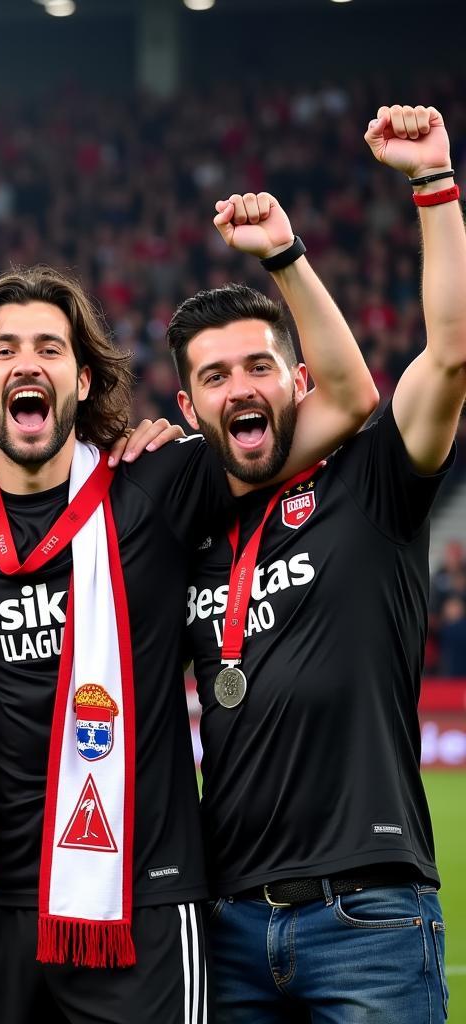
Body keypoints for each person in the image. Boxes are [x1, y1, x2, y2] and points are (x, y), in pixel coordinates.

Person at [0, 182, 377, 1024]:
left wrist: (284, 259)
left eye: (51, 348)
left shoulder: (153, 485)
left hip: (144, 905)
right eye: (2, 349)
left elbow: (346, 399)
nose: (26, 365)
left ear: (83, 381)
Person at [175, 103, 463, 1022]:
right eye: (214, 377)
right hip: (225, 921)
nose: (239, 388)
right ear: (189, 409)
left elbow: (452, 357)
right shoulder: (187, 529)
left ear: (298, 381)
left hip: (369, 911)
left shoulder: (374, 482)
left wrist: (432, 183)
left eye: (258, 366)